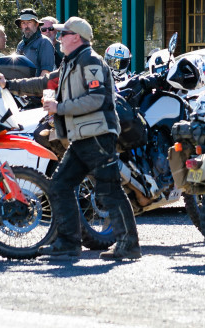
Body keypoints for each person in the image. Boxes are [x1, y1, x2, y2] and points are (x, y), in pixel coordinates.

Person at [34, 16, 140, 261]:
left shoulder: (90, 60)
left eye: (63, 34)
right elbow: (42, 81)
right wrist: (6, 82)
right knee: (60, 185)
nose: (58, 38)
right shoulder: (70, 62)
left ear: (76, 37)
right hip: (83, 137)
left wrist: (59, 107)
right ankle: (68, 244)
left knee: (108, 189)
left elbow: (97, 99)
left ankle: (129, 245)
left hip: (98, 135)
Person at [15, 8, 58, 74]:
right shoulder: (20, 45)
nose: (26, 26)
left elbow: (46, 72)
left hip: (38, 81)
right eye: (23, 23)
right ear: (20, 25)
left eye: (29, 22)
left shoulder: (44, 42)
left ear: (37, 24)